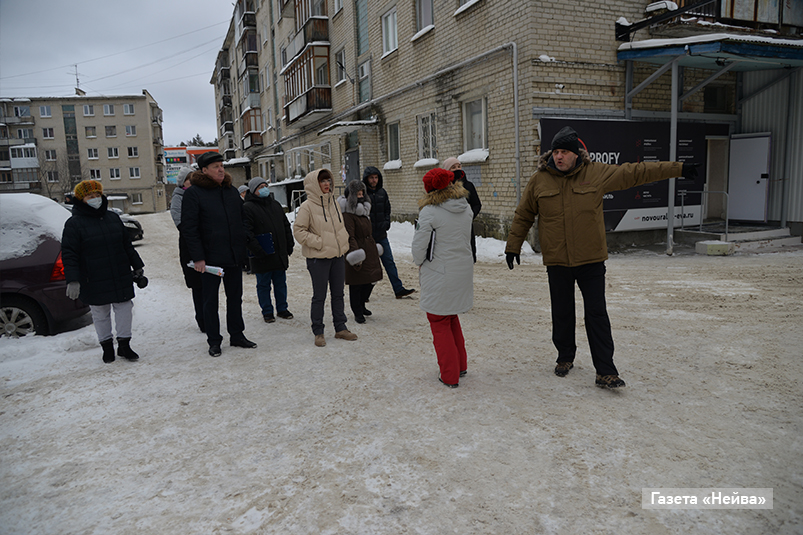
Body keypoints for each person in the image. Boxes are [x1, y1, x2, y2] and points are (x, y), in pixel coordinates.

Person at [505, 126, 697, 389]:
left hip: (591, 260)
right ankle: (565, 356)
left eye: (564, 152)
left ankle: (605, 370)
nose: (558, 157)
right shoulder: (539, 180)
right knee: (562, 312)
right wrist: (512, 246)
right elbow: (524, 214)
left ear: (575, 154)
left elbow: (636, 172)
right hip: (557, 261)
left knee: (597, 314)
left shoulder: (596, 173)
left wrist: (680, 169)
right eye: (556, 152)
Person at [181, 151, 257, 357]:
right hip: (210, 260)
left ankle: (237, 334)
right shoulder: (194, 194)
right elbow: (190, 229)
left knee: (235, 298)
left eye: (221, 165)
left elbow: (243, 219)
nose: (221, 169)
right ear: (204, 170)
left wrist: (244, 241)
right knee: (210, 301)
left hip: (233, 256)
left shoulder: (230, 191)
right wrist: (198, 258)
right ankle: (214, 340)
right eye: (215, 166)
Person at [61, 180, 145, 364]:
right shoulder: (74, 224)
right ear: (81, 199)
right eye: (90, 196)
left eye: (97, 195)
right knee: (100, 313)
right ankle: (107, 347)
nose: (95, 199)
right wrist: (73, 280)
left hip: (119, 273)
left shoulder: (113, 218)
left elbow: (126, 245)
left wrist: (137, 265)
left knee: (124, 309)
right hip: (93, 277)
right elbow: (69, 254)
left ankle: (124, 345)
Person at [412, 168, 474, 388]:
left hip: (439, 273)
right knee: (450, 317)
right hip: (462, 270)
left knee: (438, 320)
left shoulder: (430, 212)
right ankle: (461, 365)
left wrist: (418, 260)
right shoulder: (465, 207)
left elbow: (419, 250)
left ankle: (449, 374)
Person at [292, 169, 359, 347]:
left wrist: (343, 241)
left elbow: (340, 226)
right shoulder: (307, 206)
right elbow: (298, 231)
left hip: (337, 256)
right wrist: (319, 242)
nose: (327, 184)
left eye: (328, 180)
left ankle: (340, 327)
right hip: (318, 258)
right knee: (319, 296)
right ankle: (318, 331)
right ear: (315, 184)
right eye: (322, 181)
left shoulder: (334, 203)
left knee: (338, 294)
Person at [242, 177, 295, 323]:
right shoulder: (248, 207)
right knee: (263, 285)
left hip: (278, 253)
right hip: (262, 255)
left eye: (266, 185)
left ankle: (282, 308)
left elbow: (285, 226)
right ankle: (267, 311)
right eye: (260, 187)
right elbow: (247, 233)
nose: (265, 189)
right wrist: (258, 250)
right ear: (254, 191)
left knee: (280, 283)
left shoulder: (275, 205)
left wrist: (289, 244)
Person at [362, 166, 415, 300]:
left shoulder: (382, 193)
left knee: (389, 262)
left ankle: (398, 289)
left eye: (376, 177)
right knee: (370, 266)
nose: (374, 180)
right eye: (371, 178)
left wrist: (386, 223)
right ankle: (364, 294)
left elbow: (387, 210)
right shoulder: (362, 194)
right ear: (366, 179)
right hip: (368, 237)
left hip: (381, 235)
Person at [338, 179, 382, 324]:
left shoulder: (363, 211)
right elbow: (350, 236)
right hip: (356, 249)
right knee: (356, 284)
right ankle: (357, 311)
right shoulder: (348, 215)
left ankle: (362, 304)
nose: (361, 195)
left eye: (362, 192)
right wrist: (354, 254)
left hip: (368, 249)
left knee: (370, 280)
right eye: (358, 193)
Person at [171, 166, 205, 333]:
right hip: (189, 246)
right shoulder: (178, 198)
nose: (192, 183)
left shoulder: (201, 194)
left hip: (206, 244)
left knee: (207, 284)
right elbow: (182, 224)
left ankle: (210, 316)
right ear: (183, 183)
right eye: (189, 180)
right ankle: (202, 319)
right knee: (197, 286)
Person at [443, 157, 482, 262]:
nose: (457, 169)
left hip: (466, 228)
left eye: (459, 166)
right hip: (449, 229)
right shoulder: (444, 187)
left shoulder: (468, 186)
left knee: (467, 258)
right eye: (453, 167)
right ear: (447, 170)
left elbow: (477, 204)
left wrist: (469, 217)